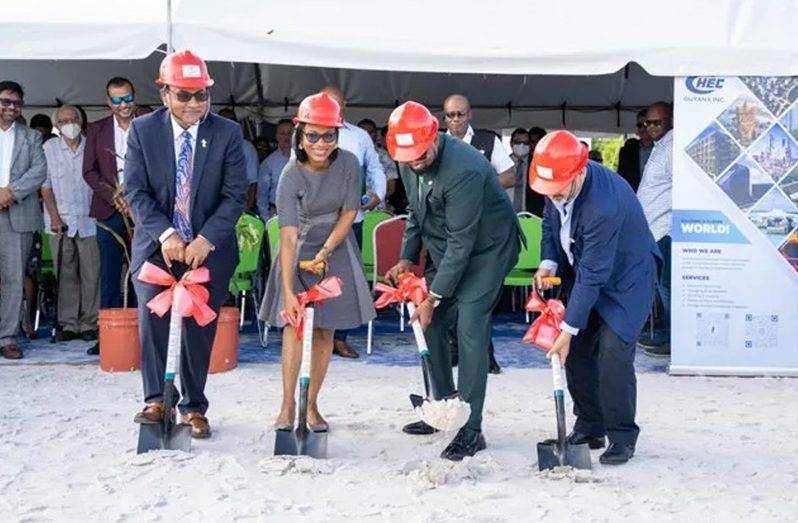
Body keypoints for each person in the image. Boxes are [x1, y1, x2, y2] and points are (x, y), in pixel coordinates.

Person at [384, 101, 521, 460]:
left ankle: (471, 428)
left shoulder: (466, 169)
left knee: (469, 327)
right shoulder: (407, 152)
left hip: (487, 250)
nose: (412, 161)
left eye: (418, 154)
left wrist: (433, 297)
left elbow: (464, 243)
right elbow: (416, 211)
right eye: (406, 156)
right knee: (431, 325)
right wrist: (406, 258)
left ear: (434, 138)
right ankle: (441, 407)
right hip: (447, 246)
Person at [125, 50, 248, 439]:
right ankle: (157, 399)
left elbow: (234, 196)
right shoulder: (143, 131)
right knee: (154, 318)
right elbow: (136, 191)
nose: (193, 104)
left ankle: (194, 406)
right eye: (184, 95)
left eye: (200, 95)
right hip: (155, 246)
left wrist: (205, 240)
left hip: (208, 249)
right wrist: (168, 235)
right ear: (165, 94)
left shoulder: (227, 133)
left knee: (198, 328)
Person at [531, 130, 659, 465]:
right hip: (584, 268)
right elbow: (550, 223)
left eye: (559, 192)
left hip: (626, 277)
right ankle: (590, 426)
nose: (553, 197)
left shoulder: (604, 204)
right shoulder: (555, 180)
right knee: (577, 353)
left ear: (580, 172)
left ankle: (622, 436)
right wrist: (548, 262)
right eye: (549, 193)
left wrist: (568, 330)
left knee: (613, 353)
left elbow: (595, 274)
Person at [259, 92, 376, 432]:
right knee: (294, 328)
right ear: (300, 134)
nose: (321, 142)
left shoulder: (350, 164)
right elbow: (289, 234)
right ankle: (287, 405)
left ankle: (311, 405)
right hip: (298, 245)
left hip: (336, 245)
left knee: (325, 329)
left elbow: (350, 211)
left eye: (329, 135)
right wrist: (288, 289)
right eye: (313, 135)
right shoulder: (289, 174)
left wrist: (326, 252)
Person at [442, 93, 512, 374]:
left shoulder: (487, 141)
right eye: (450, 115)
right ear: (444, 117)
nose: (456, 120)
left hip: (483, 232)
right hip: (447, 230)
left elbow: (509, 176)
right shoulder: (439, 142)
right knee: (449, 294)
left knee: (479, 297)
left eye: (460, 114)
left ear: (469, 114)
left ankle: (486, 356)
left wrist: (476, 186)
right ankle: (454, 352)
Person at [321, 86, 386, 359]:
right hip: (316, 220)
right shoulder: (309, 133)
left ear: (345, 105)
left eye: (336, 104)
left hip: (352, 220)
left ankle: (340, 337)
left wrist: (377, 195)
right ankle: (316, 336)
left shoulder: (359, 137)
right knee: (315, 276)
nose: (332, 109)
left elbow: (374, 168)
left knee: (345, 278)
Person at [83, 77, 138, 354]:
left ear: (134, 98)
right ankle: (107, 336)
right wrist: (113, 196)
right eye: (116, 100)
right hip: (108, 210)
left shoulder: (148, 125)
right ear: (108, 102)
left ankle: (144, 334)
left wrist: (135, 200)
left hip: (143, 212)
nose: (123, 104)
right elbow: (89, 171)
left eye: (127, 98)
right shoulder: (97, 129)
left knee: (143, 273)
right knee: (109, 274)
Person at [41, 105, 100, 342]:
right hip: (59, 222)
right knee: (65, 273)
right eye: (64, 120)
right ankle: (68, 324)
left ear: (82, 121)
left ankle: (89, 322)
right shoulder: (49, 148)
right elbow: (45, 186)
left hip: (90, 220)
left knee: (91, 273)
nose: (69, 123)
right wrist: (54, 216)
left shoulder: (92, 145)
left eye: (73, 118)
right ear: (58, 125)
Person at [0, 80, 47, 359]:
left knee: (12, 278)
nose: (11, 107)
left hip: (17, 213)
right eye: (5, 101)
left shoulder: (31, 137)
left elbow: (39, 171)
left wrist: (10, 194)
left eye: (16, 103)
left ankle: (6, 337)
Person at [636, 102, 674, 356]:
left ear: (670, 120)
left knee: (666, 286)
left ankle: (673, 340)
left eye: (656, 122)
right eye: (647, 123)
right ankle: (663, 333)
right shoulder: (660, 147)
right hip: (652, 228)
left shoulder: (672, 148)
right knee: (660, 286)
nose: (650, 127)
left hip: (665, 228)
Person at [218, 108, 260, 212]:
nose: (227, 124)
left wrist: (247, 209)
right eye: (224, 120)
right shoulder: (208, 145)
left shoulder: (247, 148)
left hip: (238, 206)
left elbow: (253, 182)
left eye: (232, 120)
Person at [358, 118, 399, 210]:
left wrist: (377, 201)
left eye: (371, 132)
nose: (367, 135)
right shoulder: (348, 154)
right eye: (363, 132)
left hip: (377, 208)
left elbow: (391, 186)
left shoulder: (385, 156)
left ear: (376, 134)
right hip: (351, 209)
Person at [257, 118, 292, 220]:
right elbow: (262, 196)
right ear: (276, 136)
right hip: (276, 215)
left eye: (289, 132)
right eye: (282, 133)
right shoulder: (268, 163)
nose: (286, 136)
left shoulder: (306, 160)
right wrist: (266, 220)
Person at [617, 109, 654, 192]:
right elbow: (621, 178)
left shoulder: (662, 148)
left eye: (646, 124)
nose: (643, 128)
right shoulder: (626, 152)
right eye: (639, 125)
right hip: (634, 196)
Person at [509, 128, 531, 212]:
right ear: (511, 143)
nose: (521, 145)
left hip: (531, 216)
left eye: (525, 143)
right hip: (507, 214)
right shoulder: (503, 164)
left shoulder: (535, 165)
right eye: (517, 142)